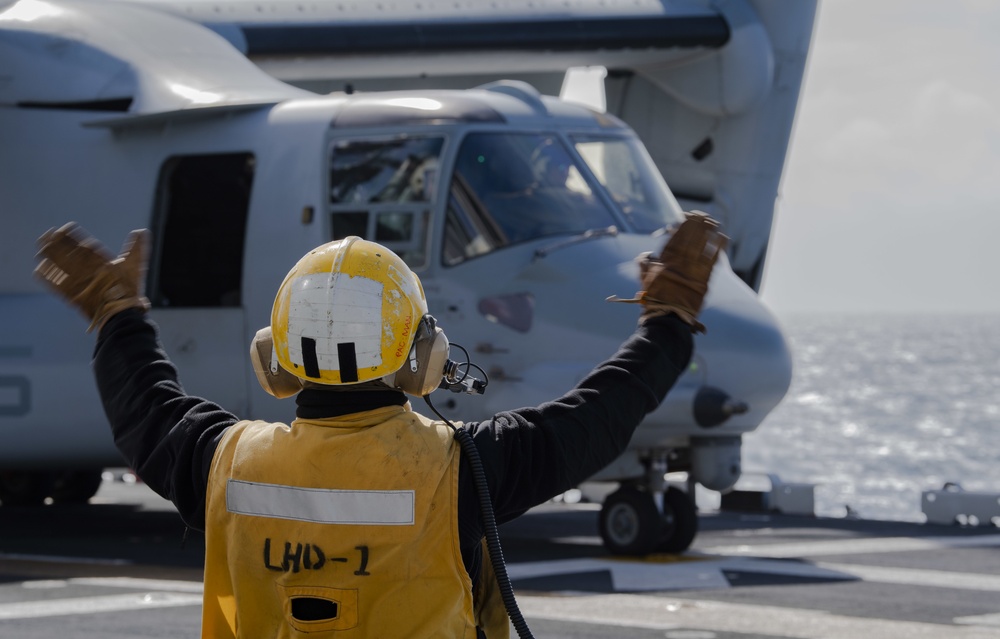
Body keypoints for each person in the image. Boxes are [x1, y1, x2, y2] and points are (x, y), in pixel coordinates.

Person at [33, 212, 726, 638]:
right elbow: (595, 419)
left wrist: (117, 312)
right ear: (423, 357)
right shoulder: (461, 468)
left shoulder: (228, 463)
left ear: (276, 358)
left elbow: (146, 410)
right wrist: (666, 324)